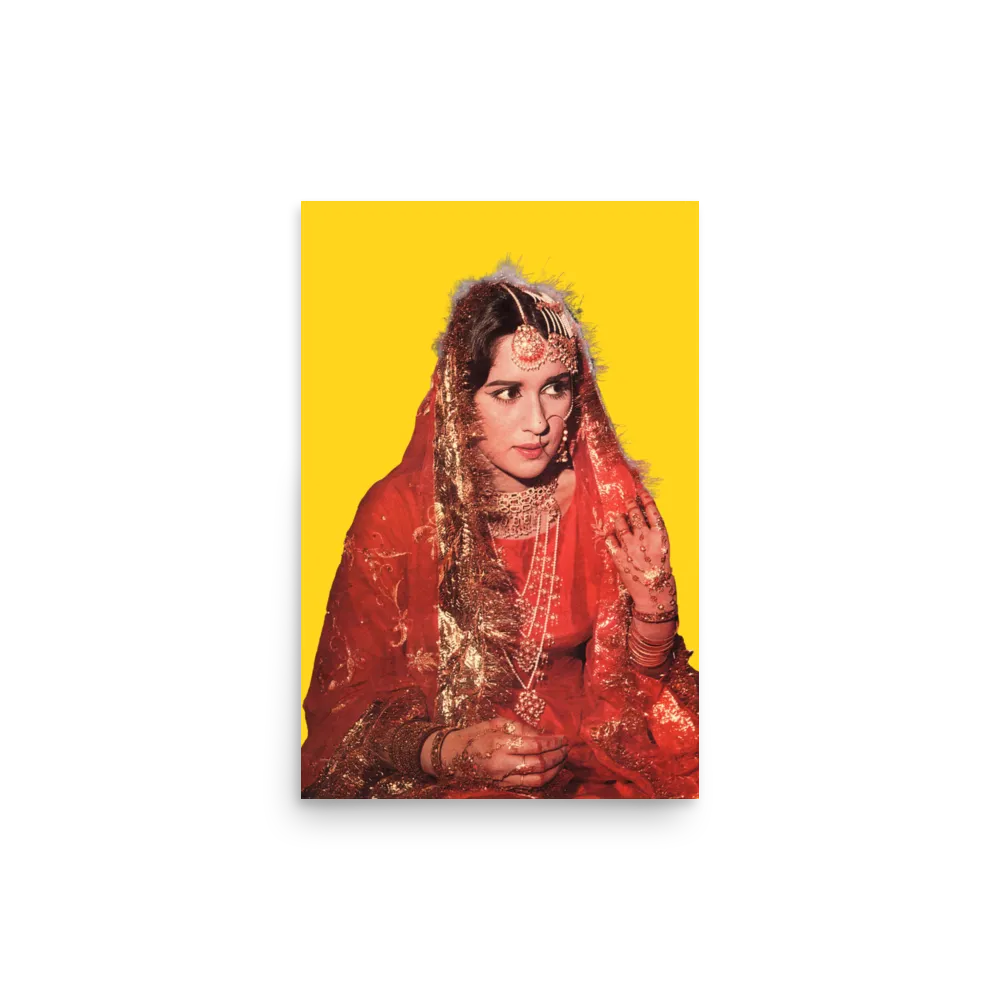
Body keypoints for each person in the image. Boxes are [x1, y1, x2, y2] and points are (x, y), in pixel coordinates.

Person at [300, 262, 699, 799]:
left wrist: (655, 610)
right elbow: (342, 702)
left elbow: (644, 686)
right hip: (446, 770)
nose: (538, 422)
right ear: (460, 400)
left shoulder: (608, 500)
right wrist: (445, 752)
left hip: (588, 760)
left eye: (554, 388)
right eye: (507, 392)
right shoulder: (399, 513)